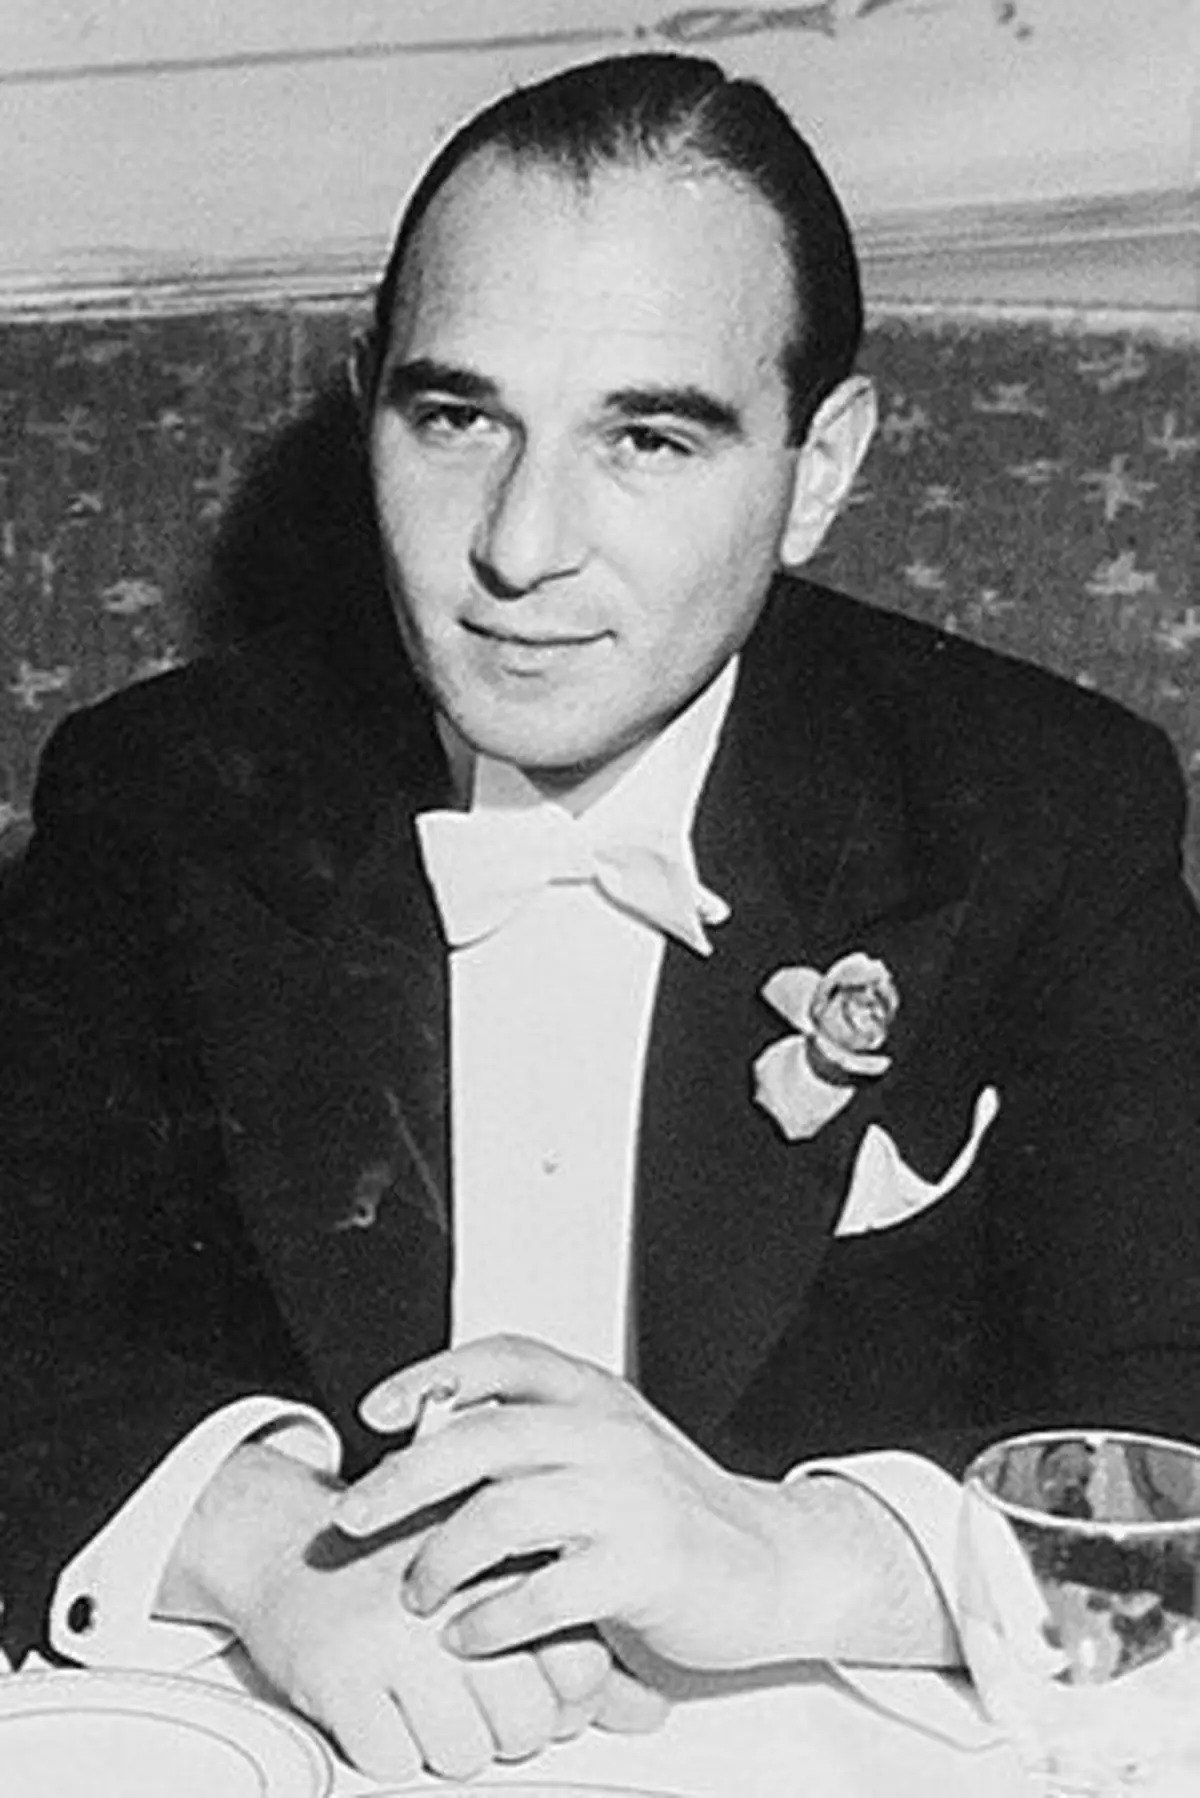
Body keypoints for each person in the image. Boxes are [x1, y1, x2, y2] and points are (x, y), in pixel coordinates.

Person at [3, 48, 1200, 1785]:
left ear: (818, 467)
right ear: (367, 405)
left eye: (647, 436)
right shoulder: (164, 796)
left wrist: (784, 1554)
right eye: (457, 418)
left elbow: (1173, 1395)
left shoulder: (1039, 805)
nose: (520, 544)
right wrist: (257, 1542)